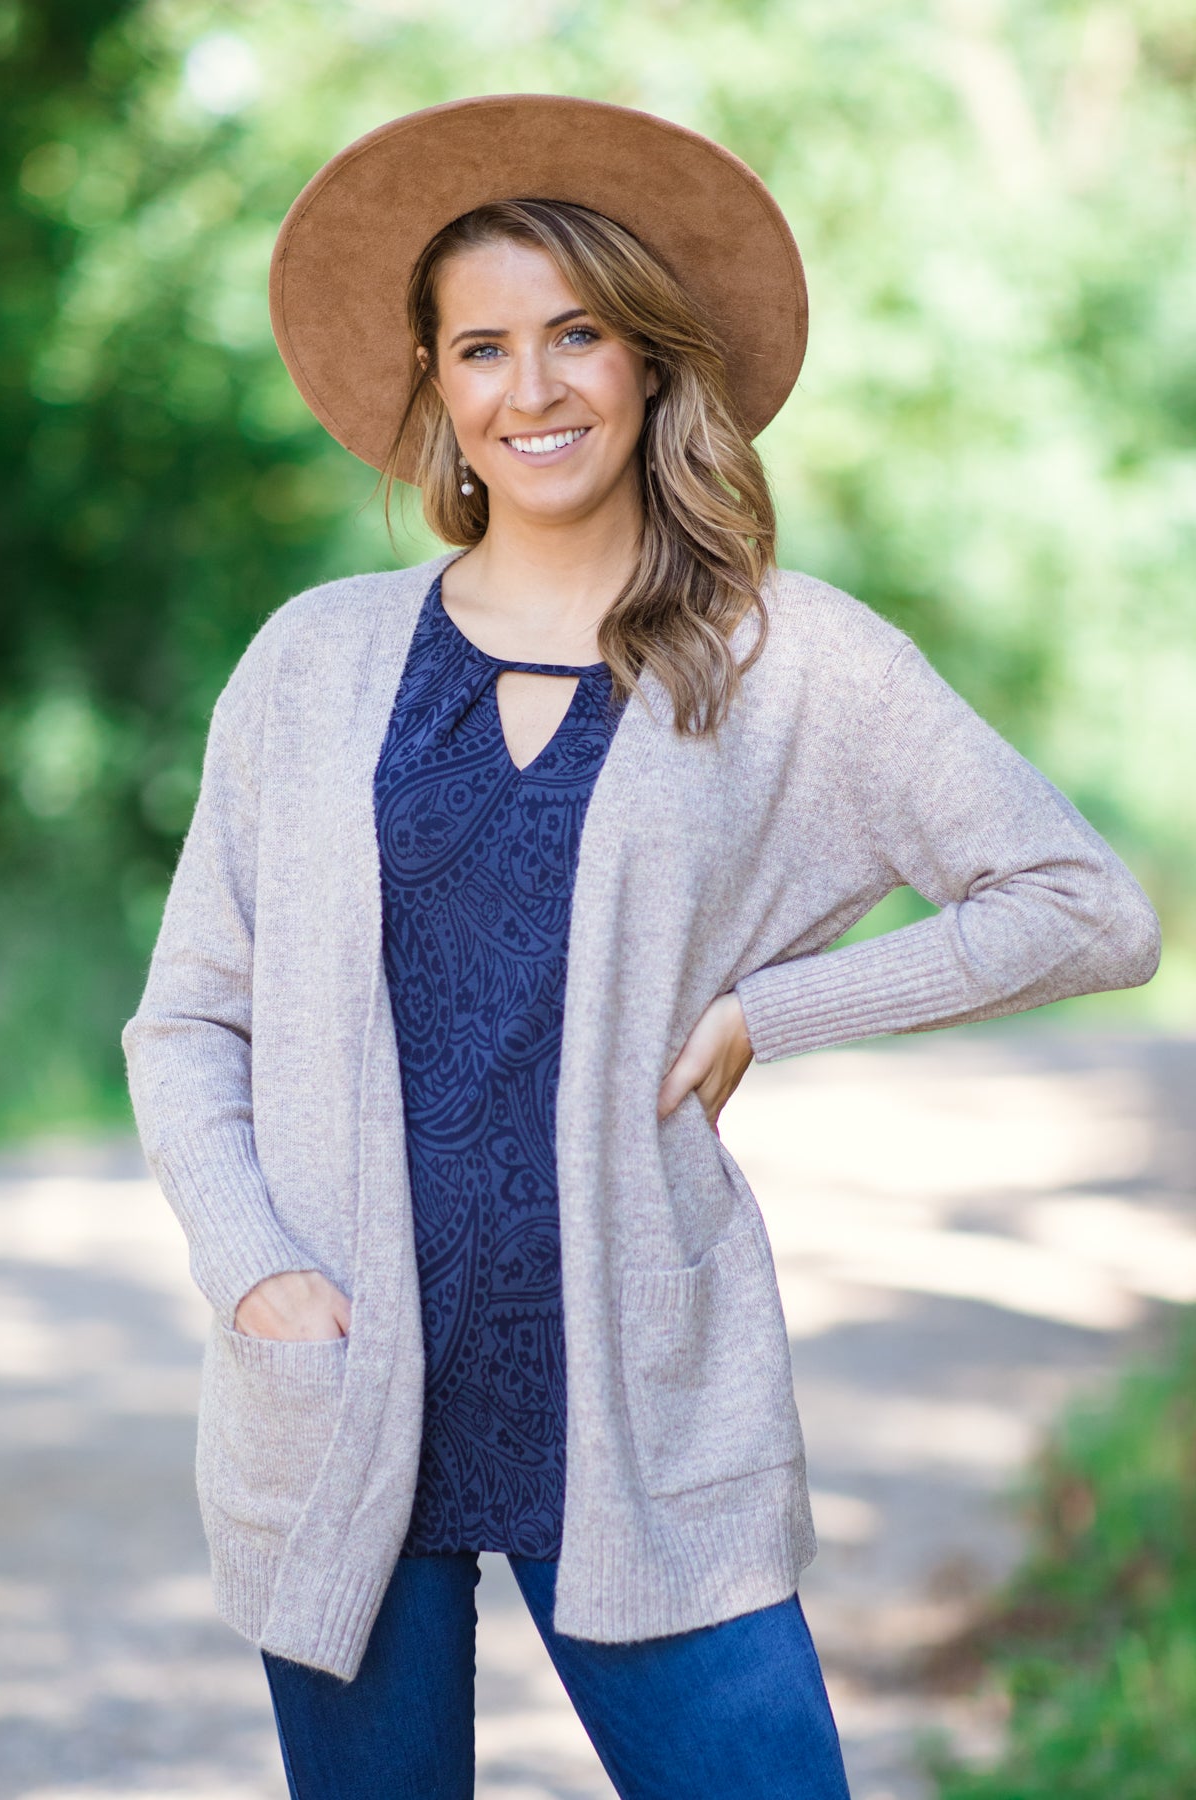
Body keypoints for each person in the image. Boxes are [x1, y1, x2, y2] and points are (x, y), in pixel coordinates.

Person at [121, 94, 1161, 1798]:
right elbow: (187, 1023)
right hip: (339, 1377)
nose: (532, 389)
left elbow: (1084, 907)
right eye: (482, 348)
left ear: (650, 357)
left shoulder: (786, 658)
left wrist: (772, 1008)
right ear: (437, 386)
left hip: (639, 1394)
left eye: (577, 333)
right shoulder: (313, 661)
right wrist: (256, 1271)